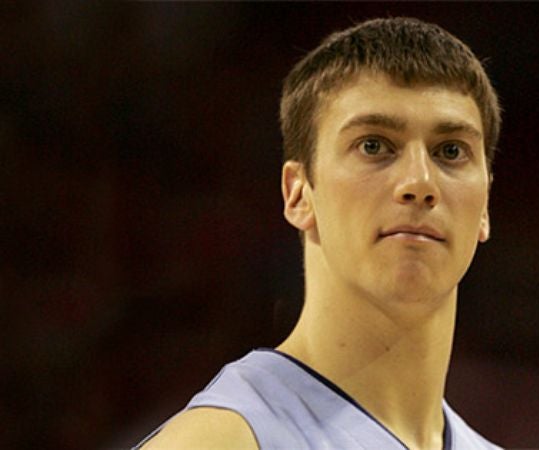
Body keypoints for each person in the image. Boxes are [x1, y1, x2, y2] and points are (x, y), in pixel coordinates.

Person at [137, 16, 501, 450]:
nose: (420, 182)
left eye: (450, 151)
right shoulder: (222, 440)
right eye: (374, 145)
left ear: (484, 207)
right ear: (298, 194)